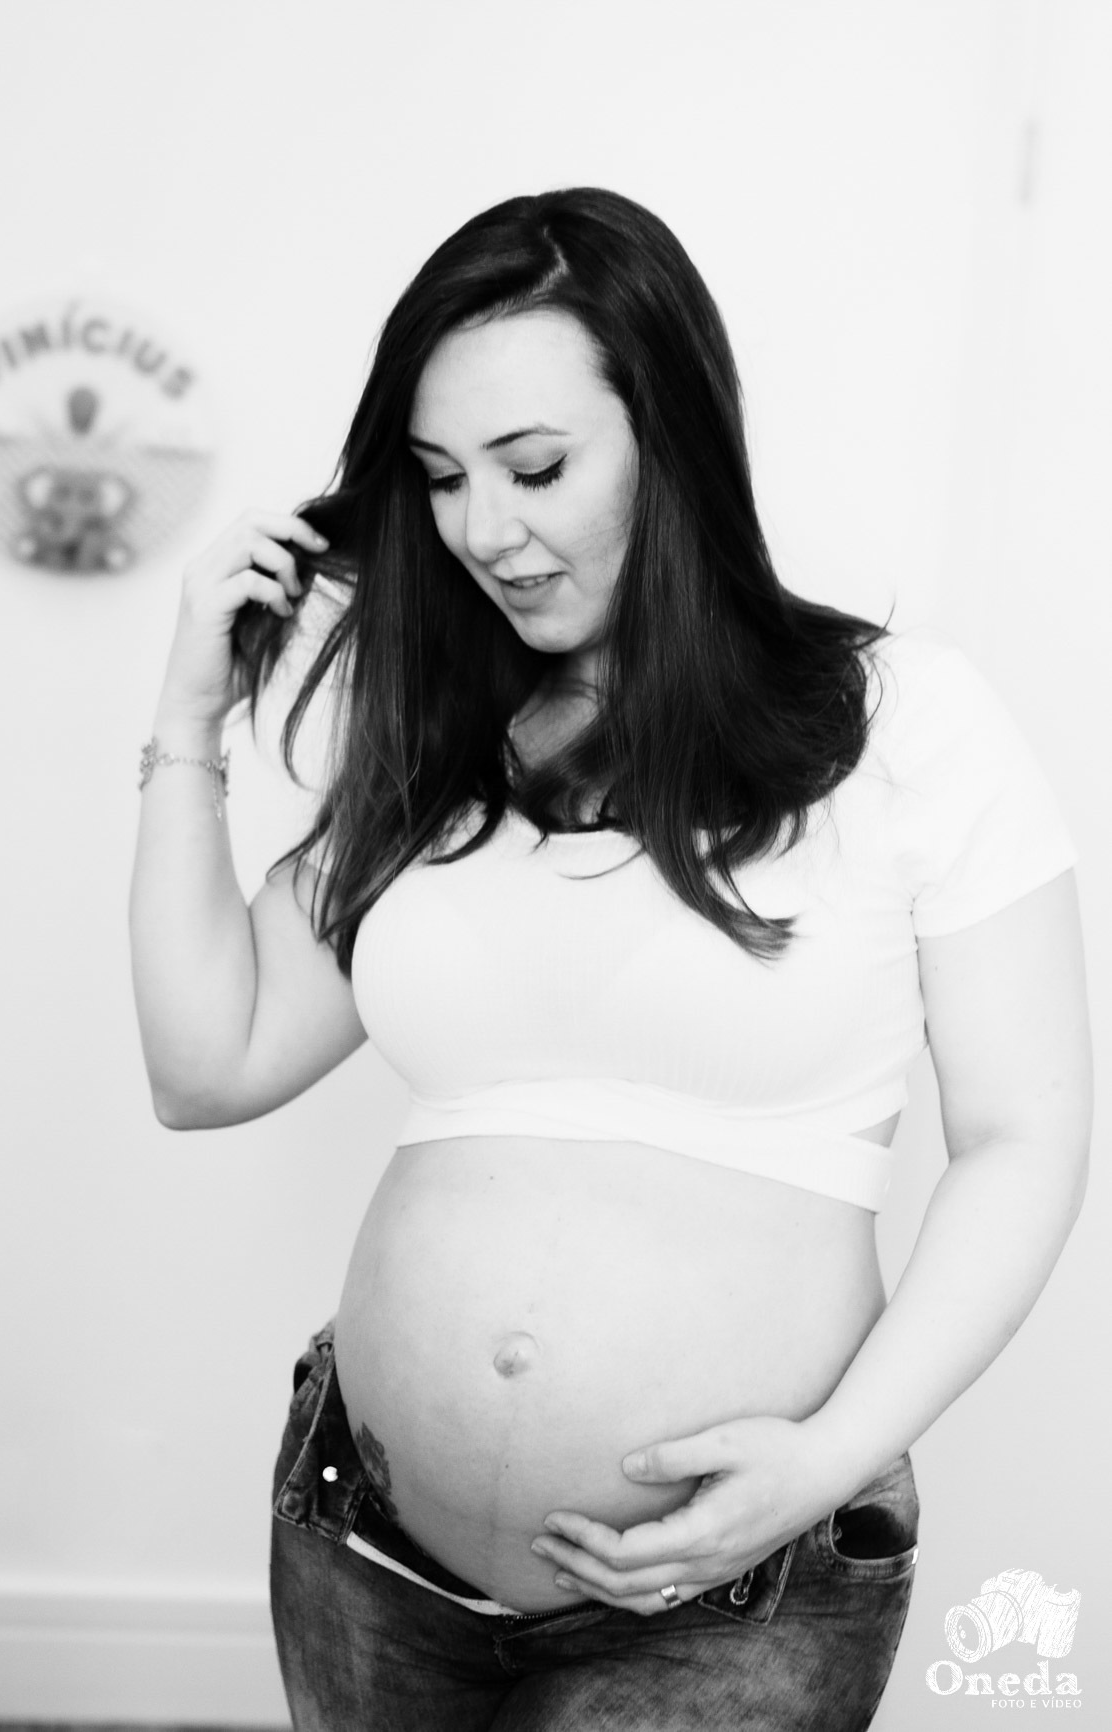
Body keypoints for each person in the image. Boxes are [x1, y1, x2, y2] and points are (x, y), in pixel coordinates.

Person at [129, 188, 1091, 1731]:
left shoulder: (903, 724)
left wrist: (829, 1460)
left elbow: (1022, 1139)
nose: (480, 531)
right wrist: (187, 727)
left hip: (733, 1593)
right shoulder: (436, 752)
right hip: (364, 1554)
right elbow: (204, 1065)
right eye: (440, 478)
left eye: (535, 468)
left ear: (672, 439)